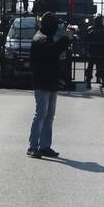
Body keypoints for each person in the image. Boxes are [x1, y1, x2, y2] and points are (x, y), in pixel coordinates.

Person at [27, 12, 70, 159]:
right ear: (49, 25)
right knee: (40, 115)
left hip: (51, 81)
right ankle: (33, 146)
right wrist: (65, 39)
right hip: (42, 81)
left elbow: (56, 59)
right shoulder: (40, 38)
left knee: (49, 116)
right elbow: (51, 52)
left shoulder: (48, 37)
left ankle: (45, 146)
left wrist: (61, 77)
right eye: (55, 24)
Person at [83, 14, 104, 87]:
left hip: (93, 50)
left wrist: (86, 49)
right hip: (101, 50)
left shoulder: (90, 29)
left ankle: (89, 81)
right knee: (101, 66)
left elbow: (85, 40)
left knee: (90, 66)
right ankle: (103, 81)